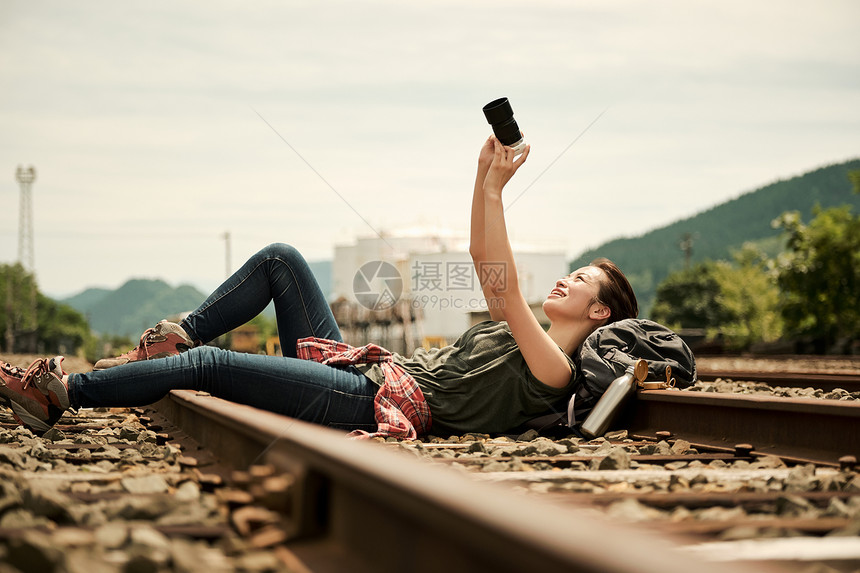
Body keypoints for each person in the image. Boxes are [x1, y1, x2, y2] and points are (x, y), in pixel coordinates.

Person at [0, 136, 637, 439]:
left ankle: (62, 393)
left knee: (213, 367)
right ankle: (179, 332)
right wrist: (483, 176)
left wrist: (495, 191)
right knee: (282, 260)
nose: (563, 279)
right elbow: (485, 262)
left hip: (376, 402)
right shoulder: (519, 334)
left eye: (579, 280)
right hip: (374, 370)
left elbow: (499, 293)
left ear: (600, 310)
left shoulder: (553, 368)